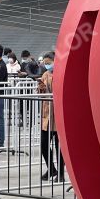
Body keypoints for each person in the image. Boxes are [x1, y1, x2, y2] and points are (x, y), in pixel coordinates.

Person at [37, 52, 65, 181]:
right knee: (44, 144)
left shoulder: (62, 74)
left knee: (59, 146)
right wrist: (40, 88)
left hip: (59, 115)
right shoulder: (45, 74)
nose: (46, 65)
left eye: (49, 62)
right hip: (47, 116)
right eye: (45, 63)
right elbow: (40, 93)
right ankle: (51, 168)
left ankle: (60, 173)